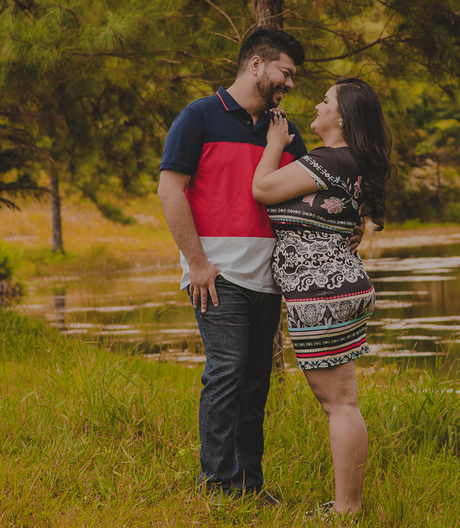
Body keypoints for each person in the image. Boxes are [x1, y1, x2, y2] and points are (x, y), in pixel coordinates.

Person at [157, 26, 307, 499]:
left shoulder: (282, 130)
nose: (290, 84)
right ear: (256, 64)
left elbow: (308, 190)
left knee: (255, 381)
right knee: (227, 371)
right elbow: (170, 190)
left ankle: (249, 482)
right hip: (216, 275)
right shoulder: (199, 116)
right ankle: (216, 482)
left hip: (269, 278)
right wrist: (197, 263)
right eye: (286, 72)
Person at [251, 77, 391, 516]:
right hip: (335, 285)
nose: (317, 103)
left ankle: (346, 510)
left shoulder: (330, 159)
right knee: (342, 400)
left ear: (342, 116)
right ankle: (347, 505)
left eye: (325, 100)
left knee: (339, 403)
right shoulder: (352, 161)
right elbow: (348, 229)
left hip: (321, 291)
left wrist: (275, 141)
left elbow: (263, 190)